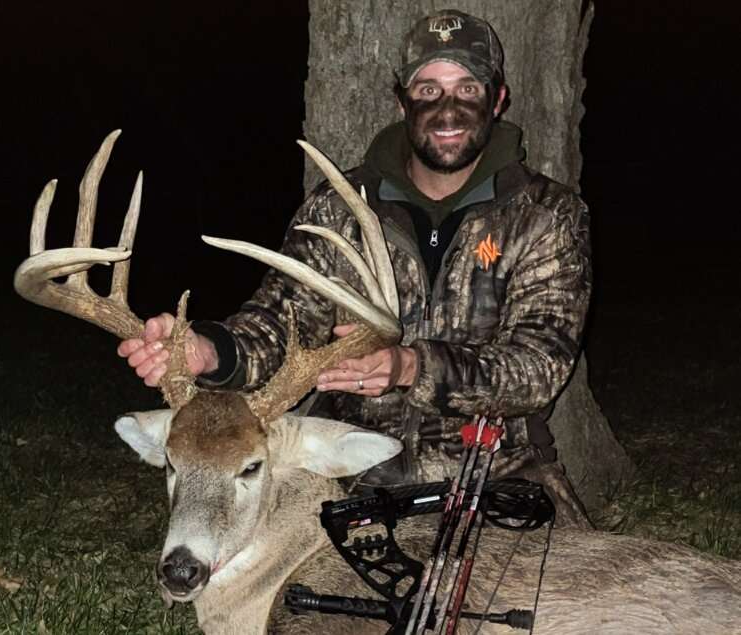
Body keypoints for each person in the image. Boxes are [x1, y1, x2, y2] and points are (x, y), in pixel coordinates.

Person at [118, 9, 592, 527]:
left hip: (498, 472)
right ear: (402, 102)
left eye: (468, 89)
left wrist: (412, 367)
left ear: (497, 99)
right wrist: (210, 351)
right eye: (428, 90)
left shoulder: (546, 216)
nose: (448, 109)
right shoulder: (338, 209)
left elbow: (538, 367)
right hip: (349, 472)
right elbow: (280, 323)